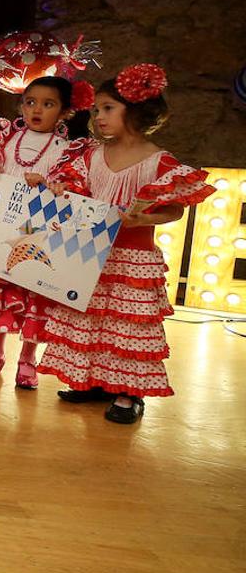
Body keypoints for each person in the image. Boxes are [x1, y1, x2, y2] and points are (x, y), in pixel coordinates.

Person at [31, 65, 213, 424]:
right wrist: (56, 189)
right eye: (96, 109)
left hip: (133, 257)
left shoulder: (158, 161)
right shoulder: (90, 156)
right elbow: (72, 191)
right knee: (91, 317)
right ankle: (95, 381)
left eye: (107, 108)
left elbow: (175, 209)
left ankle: (129, 393)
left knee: (127, 324)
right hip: (91, 250)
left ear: (134, 109)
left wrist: (145, 218)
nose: (98, 116)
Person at [0, 76, 92, 388]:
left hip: (36, 233)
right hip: (0, 229)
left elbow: (75, 189)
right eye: (30, 102)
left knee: (32, 295)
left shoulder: (67, 151)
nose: (37, 109)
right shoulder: (2, 141)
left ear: (65, 112)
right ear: (21, 105)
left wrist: (56, 185)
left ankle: (28, 358)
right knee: (0, 294)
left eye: (48, 104)